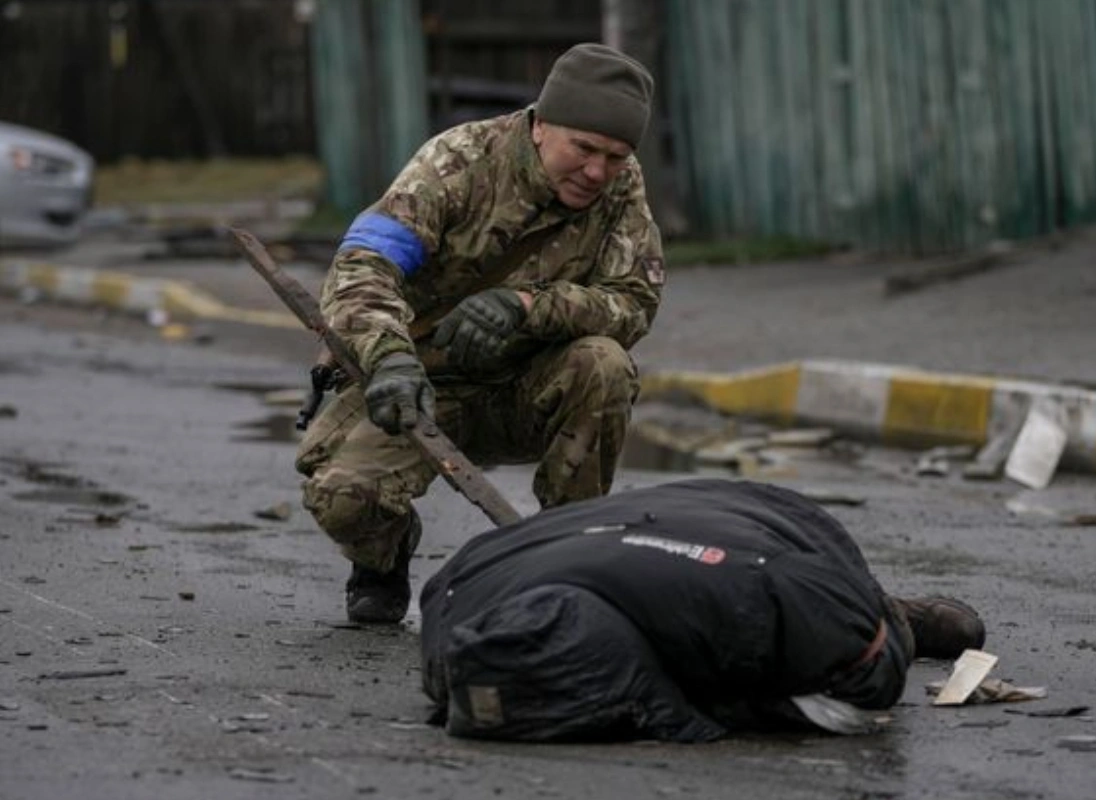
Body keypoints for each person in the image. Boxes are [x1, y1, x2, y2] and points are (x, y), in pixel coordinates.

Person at [295, 43, 664, 623]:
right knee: (344, 498)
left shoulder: (620, 189)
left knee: (604, 363)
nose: (598, 171)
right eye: (585, 149)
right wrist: (389, 356)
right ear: (541, 126)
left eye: (615, 156)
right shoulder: (456, 162)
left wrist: (528, 307)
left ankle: (567, 559)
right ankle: (383, 554)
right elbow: (362, 265)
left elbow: (634, 304)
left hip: (527, 388)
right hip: (421, 389)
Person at [420, 479, 986, 742]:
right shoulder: (464, 609)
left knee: (855, 643)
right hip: (676, 524)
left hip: (753, 533)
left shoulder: (761, 599)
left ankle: (897, 611)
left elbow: (864, 670)